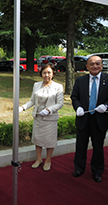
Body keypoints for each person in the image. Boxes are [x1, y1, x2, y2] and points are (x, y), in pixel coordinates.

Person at [19, 63, 64, 171]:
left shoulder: (58, 87)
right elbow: (32, 101)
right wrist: (23, 107)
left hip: (50, 119)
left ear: (53, 74)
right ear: (41, 74)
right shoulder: (36, 85)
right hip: (38, 117)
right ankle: (38, 159)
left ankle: (48, 160)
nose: (46, 75)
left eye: (49, 72)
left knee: (49, 141)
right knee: (37, 139)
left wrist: (49, 110)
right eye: (44, 72)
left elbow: (60, 103)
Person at [71, 55, 108, 183]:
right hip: (83, 118)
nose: (95, 66)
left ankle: (97, 171)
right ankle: (79, 168)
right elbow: (74, 97)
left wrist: (106, 105)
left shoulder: (107, 79)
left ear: (102, 65)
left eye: (98, 63)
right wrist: (78, 107)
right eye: (91, 64)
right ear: (87, 66)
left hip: (100, 119)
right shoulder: (80, 80)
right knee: (80, 145)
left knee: (98, 147)